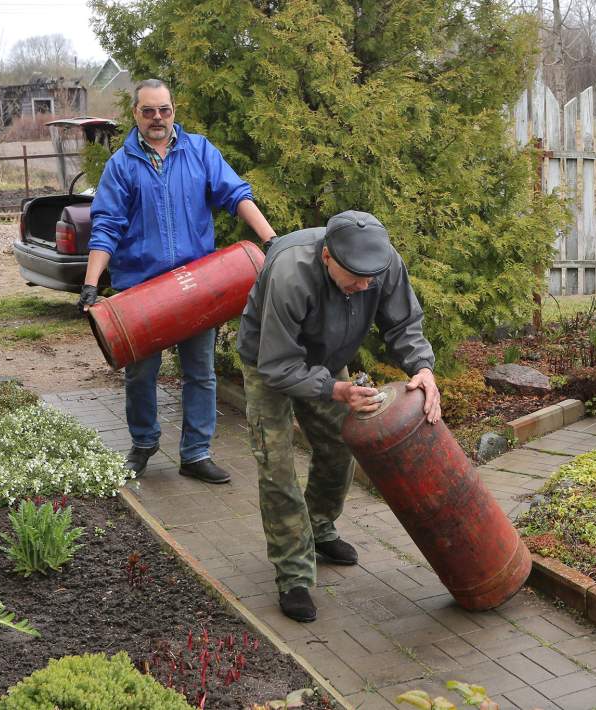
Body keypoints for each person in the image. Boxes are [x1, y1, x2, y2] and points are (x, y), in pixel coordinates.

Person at [236, 210, 441, 622]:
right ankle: (293, 574)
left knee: (339, 447)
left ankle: (319, 527)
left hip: (328, 361)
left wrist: (421, 367)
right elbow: (278, 365)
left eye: (371, 278)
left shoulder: (380, 262)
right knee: (276, 465)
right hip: (269, 363)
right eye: (356, 278)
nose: (366, 286)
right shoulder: (290, 271)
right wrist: (336, 390)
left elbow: (403, 323)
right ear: (328, 257)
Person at [79, 78, 278, 484]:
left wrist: (271, 240)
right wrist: (90, 284)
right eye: (148, 111)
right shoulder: (121, 165)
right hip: (140, 290)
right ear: (135, 114)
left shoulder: (199, 151)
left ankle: (196, 453)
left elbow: (236, 194)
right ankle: (143, 444)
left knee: (200, 373)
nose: (157, 118)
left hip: (195, 286)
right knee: (139, 374)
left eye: (164, 110)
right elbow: (106, 227)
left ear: (174, 111)